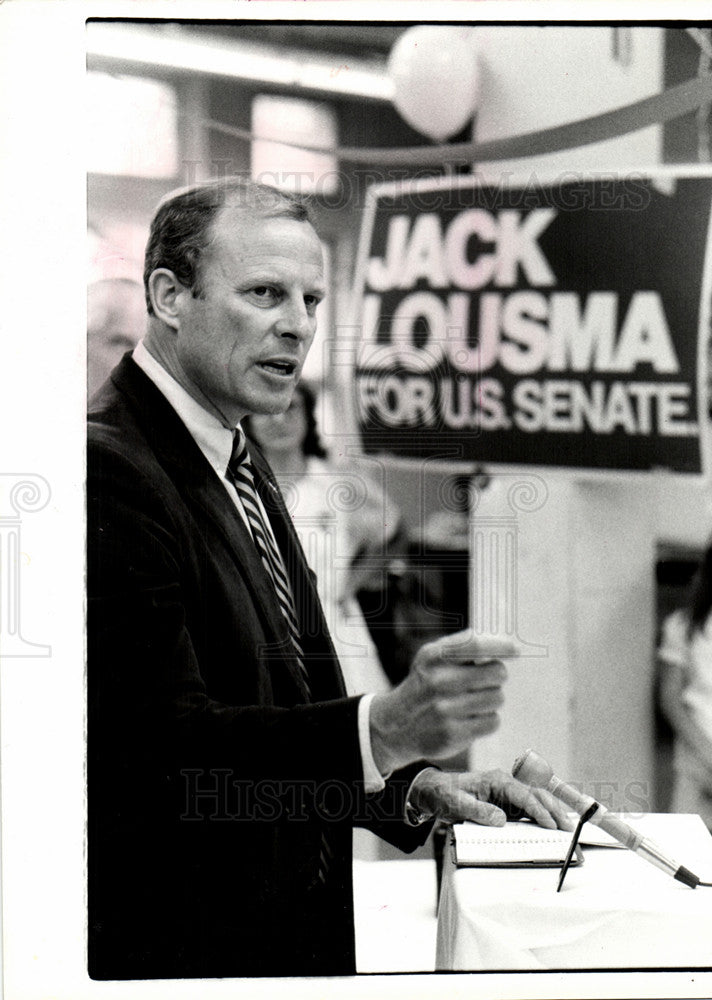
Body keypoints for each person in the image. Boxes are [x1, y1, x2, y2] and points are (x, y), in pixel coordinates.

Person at [87, 177, 570, 980]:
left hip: (285, 937)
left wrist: (413, 789)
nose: (298, 326)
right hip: (189, 953)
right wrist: (380, 729)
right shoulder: (108, 469)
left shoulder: (233, 451)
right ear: (170, 296)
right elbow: (164, 752)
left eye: (311, 300)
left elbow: (287, 714)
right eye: (265, 293)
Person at [245, 383, 396, 699]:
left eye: (291, 407)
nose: (278, 420)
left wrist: (351, 583)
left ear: (308, 414)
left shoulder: (335, 482)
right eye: (264, 411)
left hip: (335, 633)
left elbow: (395, 531)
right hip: (264, 632)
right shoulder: (241, 487)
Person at [657, 538, 712, 842]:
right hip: (698, 757)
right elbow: (669, 696)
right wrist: (709, 753)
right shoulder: (684, 625)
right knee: (692, 845)